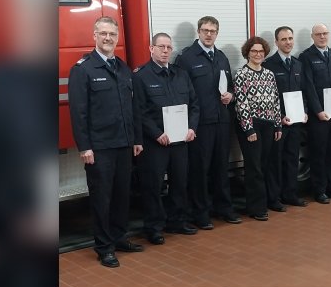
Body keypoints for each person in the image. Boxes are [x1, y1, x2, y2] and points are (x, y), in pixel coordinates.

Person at [67, 16, 145, 268]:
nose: (108, 38)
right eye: (103, 33)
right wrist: (85, 147)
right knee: (102, 198)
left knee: (123, 195)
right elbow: (78, 113)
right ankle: (104, 247)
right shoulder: (83, 69)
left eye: (112, 33)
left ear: (117, 36)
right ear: (94, 36)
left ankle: (120, 237)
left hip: (123, 144)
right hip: (99, 147)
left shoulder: (122, 67)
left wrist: (136, 139)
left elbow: (133, 108)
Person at [174, 16, 242, 228]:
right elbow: (180, 91)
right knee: (199, 170)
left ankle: (224, 208)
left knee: (221, 167)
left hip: (222, 120)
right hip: (200, 123)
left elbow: (229, 86)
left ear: (217, 33)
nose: (209, 34)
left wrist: (230, 95)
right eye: (205, 30)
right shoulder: (186, 58)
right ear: (198, 32)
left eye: (212, 31)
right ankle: (201, 213)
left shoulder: (221, 57)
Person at [133, 33, 201, 245]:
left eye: (168, 47)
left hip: (181, 140)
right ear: (151, 49)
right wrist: (156, 133)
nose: (165, 51)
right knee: (153, 186)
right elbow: (139, 112)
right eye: (160, 46)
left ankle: (177, 221)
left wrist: (192, 127)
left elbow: (194, 104)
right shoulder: (141, 76)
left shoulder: (181, 74)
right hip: (156, 143)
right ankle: (153, 227)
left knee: (180, 182)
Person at [233, 36, 283, 221]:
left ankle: (268, 201)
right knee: (254, 167)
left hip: (269, 125)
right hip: (252, 125)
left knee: (265, 164)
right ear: (247, 53)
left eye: (261, 52)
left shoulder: (269, 74)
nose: (257, 54)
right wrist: (248, 129)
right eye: (254, 51)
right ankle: (256, 208)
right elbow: (241, 104)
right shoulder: (241, 74)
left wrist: (278, 125)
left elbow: (276, 101)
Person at [300, 23, 331, 204]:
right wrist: (318, 111)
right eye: (318, 34)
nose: (322, 37)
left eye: (325, 33)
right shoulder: (306, 57)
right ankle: (319, 190)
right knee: (318, 153)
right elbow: (308, 87)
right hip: (318, 117)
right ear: (312, 37)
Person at [263, 26, 310, 207]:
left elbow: (304, 92)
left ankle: (290, 194)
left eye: (290, 38)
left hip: (296, 122)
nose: (288, 42)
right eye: (283, 39)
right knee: (275, 161)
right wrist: (278, 117)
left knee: (292, 159)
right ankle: (274, 198)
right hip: (278, 123)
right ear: (276, 42)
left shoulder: (298, 64)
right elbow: (268, 97)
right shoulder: (269, 65)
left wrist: (305, 110)